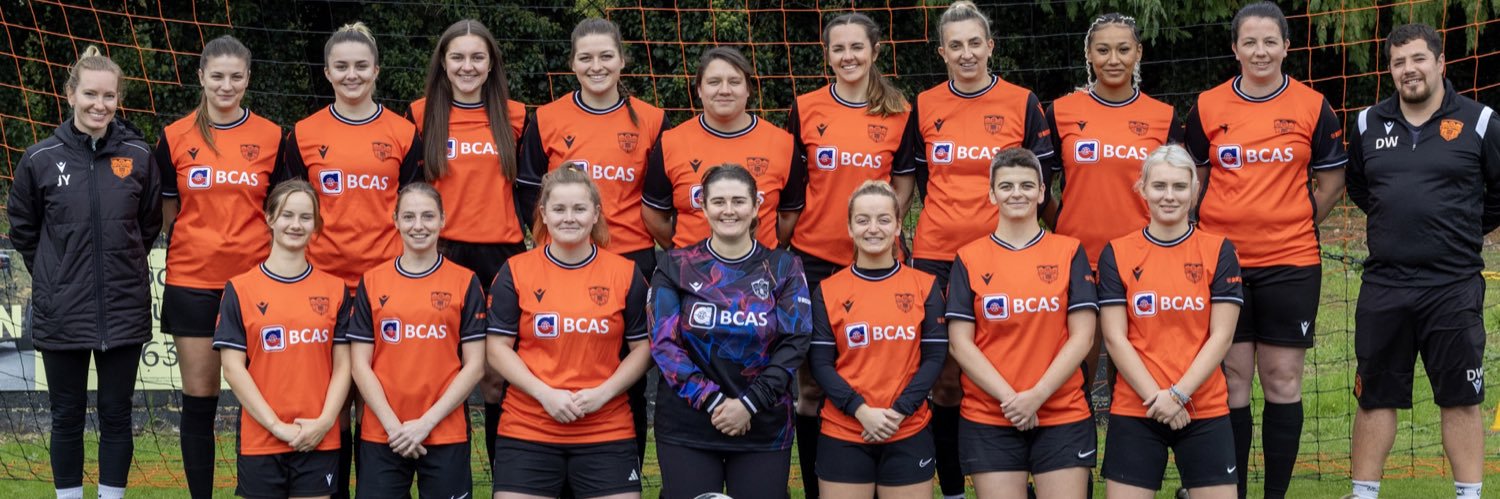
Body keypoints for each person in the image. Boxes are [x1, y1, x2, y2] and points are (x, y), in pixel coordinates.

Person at [1182, 4, 1348, 497]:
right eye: (1249, 42)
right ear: (1234, 49)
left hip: (1292, 263)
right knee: (1231, 380)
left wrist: (1293, 221)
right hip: (1222, 265)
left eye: (1270, 41)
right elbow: (1195, 180)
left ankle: (1274, 494)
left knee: (1281, 380)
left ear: (1286, 47)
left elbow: (1333, 180)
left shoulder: (1313, 106)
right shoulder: (1208, 107)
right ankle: (1229, 491)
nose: (1260, 51)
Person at [1345, 23, 1499, 499]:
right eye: (1397, 62)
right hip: (1386, 284)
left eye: (1417, 59)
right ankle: (1364, 493)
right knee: (1374, 397)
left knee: (1461, 398)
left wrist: (1455, 228)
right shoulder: (1368, 122)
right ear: (1389, 69)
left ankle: (1469, 495)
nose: (1408, 70)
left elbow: (1497, 194)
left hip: (1452, 285)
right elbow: (1361, 188)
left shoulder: (1480, 121)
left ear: (1439, 62)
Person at [910, 3, 1055, 495]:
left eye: (976, 43)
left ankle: (1031, 477)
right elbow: (924, 180)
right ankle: (952, 487)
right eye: (956, 45)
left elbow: (1042, 183)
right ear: (942, 52)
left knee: (1021, 365)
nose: (967, 53)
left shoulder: (1022, 102)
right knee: (946, 380)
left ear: (991, 46)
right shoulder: (926, 104)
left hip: (1009, 255)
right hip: (938, 255)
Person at [7, 44, 162, 499]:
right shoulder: (38, 159)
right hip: (62, 310)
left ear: (118, 99)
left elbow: (148, 223)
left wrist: (121, 264)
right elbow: (24, 229)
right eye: (91, 94)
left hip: (124, 308)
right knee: (66, 416)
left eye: (109, 96)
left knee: (117, 414)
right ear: (70, 93)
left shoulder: (138, 155)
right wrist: (57, 274)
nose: (100, 105)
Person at [279, 22, 422, 497]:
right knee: (333, 406)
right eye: (342, 66)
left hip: (385, 287)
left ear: (377, 70)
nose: (352, 74)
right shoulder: (302, 134)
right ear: (327, 72)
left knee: (381, 401)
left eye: (361, 65)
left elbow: (413, 206)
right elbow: (293, 205)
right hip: (323, 288)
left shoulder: (404, 133)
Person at [779, 14, 920, 494]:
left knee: (882, 376)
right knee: (813, 387)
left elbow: (904, 183)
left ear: (875, 51)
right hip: (813, 259)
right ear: (827, 54)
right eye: (838, 49)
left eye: (857, 47)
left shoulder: (899, 109)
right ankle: (826, 484)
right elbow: (792, 187)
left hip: (876, 263)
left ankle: (890, 473)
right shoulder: (806, 107)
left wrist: (875, 230)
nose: (848, 57)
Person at [519, 17, 669, 462]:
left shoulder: (652, 119)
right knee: (556, 364)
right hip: (562, 261)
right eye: (586, 57)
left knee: (631, 377)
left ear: (622, 60)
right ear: (572, 64)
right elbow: (529, 190)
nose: (597, 65)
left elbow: (660, 195)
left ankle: (624, 471)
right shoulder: (546, 118)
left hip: (632, 263)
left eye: (606, 56)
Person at [152, 35, 283, 498]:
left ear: (248, 79)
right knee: (200, 402)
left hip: (256, 287)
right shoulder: (173, 136)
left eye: (236, 77)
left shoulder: (272, 136)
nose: (226, 85)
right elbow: (170, 214)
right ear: (201, 77)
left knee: (259, 401)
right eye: (217, 76)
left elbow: (281, 210)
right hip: (193, 282)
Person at [487, 167, 651, 499]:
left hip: (606, 428)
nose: (569, 218)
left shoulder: (626, 273)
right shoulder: (516, 271)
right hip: (528, 426)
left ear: (595, 214)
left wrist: (603, 394)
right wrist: (544, 393)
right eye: (559, 209)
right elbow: (496, 348)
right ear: (544, 215)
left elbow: (644, 349)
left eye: (579, 209)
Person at [1041, 12, 1181, 398]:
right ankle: (1075, 448)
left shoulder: (1162, 117)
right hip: (1077, 257)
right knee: (1078, 359)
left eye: (1123, 49)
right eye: (1103, 50)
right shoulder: (1061, 112)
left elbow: (1178, 191)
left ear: (1138, 53)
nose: (1113, 59)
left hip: (1142, 259)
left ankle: (1126, 451)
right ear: (1089, 54)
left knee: (1133, 361)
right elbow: (1038, 187)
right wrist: (1065, 224)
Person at [650, 165, 811, 499]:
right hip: (688, 425)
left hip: (762, 425)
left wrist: (749, 404)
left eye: (739, 201)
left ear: (756, 207)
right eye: (718, 201)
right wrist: (712, 401)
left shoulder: (784, 267)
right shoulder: (675, 265)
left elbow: (795, 342)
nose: (728, 210)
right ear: (703, 206)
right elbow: (664, 345)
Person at [406, 18, 526, 464]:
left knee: (496, 378)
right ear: (443, 62)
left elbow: (530, 193)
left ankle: (504, 480)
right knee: (439, 372)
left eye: (478, 57)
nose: (467, 65)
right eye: (457, 56)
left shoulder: (516, 116)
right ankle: (433, 469)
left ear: (492, 64)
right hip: (441, 254)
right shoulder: (420, 114)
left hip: (501, 257)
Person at [945, 148, 1097, 498]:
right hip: (991, 415)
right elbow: (960, 344)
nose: (1017, 193)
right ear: (991, 193)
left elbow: (1083, 337)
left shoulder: (1069, 251)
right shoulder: (969, 258)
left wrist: (1037, 396)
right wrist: (1012, 399)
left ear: (1042, 192)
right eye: (1007, 185)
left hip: (1060, 412)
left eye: (1027, 185)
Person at [1096, 145, 1241, 499]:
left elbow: (1221, 337)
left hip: (1202, 405)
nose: (1169, 196)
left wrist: (1178, 395)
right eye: (1159, 186)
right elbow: (1115, 339)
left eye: (1179, 186)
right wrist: (1156, 398)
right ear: (1142, 189)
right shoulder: (1117, 252)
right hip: (1137, 405)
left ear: (1195, 191)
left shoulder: (1219, 250)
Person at [346, 183, 486, 498]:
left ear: (442, 220)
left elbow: (475, 365)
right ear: (394, 220)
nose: (418, 225)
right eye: (408, 216)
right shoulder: (372, 281)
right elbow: (359, 364)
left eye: (427, 216)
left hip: (444, 432)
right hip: (383, 433)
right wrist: (393, 426)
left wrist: (427, 422)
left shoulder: (465, 281)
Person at [213, 180, 351, 499]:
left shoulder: (335, 289)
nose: (295, 224)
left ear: (316, 224)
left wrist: (325, 422)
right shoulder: (240, 288)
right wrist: (276, 426)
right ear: (269, 218)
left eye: (305, 217)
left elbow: (344, 366)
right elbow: (233, 369)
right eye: (287, 215)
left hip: (318, 436)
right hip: (261, 436)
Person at [808, 181, 945, 499]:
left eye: (884, 219)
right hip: (845, 431)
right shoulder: (828, 290)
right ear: (849, 226)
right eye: (863, 220)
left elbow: (935, 357)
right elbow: (820, 363)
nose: (873, 228)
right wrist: (860, 410)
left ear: (898, 225)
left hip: (907, 429)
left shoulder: (924, 286)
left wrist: (899, 412)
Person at [643, 47, 799, 250]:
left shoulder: (782, 143)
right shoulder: (671, 142)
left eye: (734, 82)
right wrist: (683, 255)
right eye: (714, 82)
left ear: (748, 89)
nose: (724, 90)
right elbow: (653, 214)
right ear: (699, 89)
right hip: (691, 274)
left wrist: (767, 252)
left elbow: (790, 214)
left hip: (759, 273)